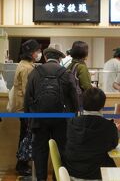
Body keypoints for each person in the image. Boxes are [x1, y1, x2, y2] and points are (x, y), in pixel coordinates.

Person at [24, 46, 78, 181]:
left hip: (39, 119)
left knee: (40, 151)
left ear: (46, 58)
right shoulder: (66, 73)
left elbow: (27, 98)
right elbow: (74, 98)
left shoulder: (35, 72)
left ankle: (41, 178)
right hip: (61, 120)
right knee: (60, 151)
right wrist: (73, 117)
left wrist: (29, 120)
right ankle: (58, 178)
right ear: (59, 59)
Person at [64, 88, 118, 180]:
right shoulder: (109, 127)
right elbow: (113, 144)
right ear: (102, 105)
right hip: (97, 174)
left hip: (71, 173)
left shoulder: (72, 122)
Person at [12, 39, 41, 176]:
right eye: (37, 51)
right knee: (25, 136)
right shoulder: (27, 68)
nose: (38, 54)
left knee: (24, 135)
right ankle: (22, 165)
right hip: (26, 108)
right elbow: (27, 91)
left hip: (22, 108)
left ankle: (22, 163)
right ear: (31, 53)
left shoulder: (24, 65)